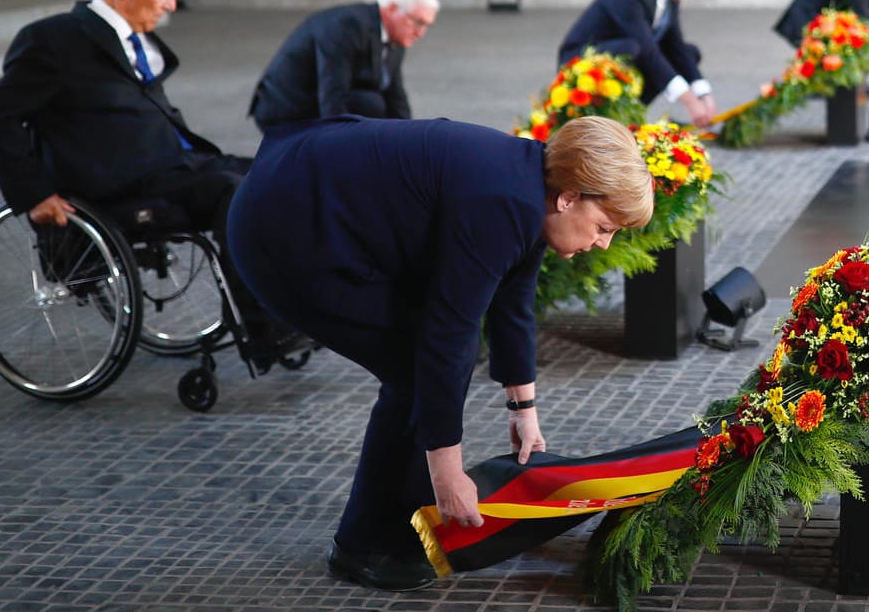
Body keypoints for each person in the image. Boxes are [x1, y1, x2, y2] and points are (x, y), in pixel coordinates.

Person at [225, 115, 653, 592]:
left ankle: (390, 528)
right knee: (416, 366)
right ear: (570, 197)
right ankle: (365, 545)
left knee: (427, 366)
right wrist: (447, 475)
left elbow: (513, 302)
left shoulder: (534, 181)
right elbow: (447, 333)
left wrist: (523, 409)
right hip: (282, 231)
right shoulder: (502, 202)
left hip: (306, 192)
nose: (602, 243)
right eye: (603, 226)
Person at [0, 0, 302, 361]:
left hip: (177, 165)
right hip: (123, 186)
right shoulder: (53, 41)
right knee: (231, 190)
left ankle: (300, 303)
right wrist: (32, 193)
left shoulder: (137, 41)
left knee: (282, 170)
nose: (171, 5)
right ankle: (266, 331)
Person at [248, 0, 440, 134]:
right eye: (418, 23)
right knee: (370, 105)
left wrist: (411, 139)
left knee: (377, 107)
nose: (420, 33)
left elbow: (395, 94)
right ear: (391, 9)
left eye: (426, 26)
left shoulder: (396, 35)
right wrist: (341, 148)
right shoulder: (347, 25)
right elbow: (332, 92)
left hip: (320, 98)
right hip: (286, 110)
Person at [557, 0, 715, 125]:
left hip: (626, 53)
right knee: (635, 48)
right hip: (579, 59)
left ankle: (632, 114)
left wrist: (703, 93)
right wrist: (690, 101)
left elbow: (675, 45)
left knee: (689, 52)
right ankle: (604, 121)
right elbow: (647, 49)